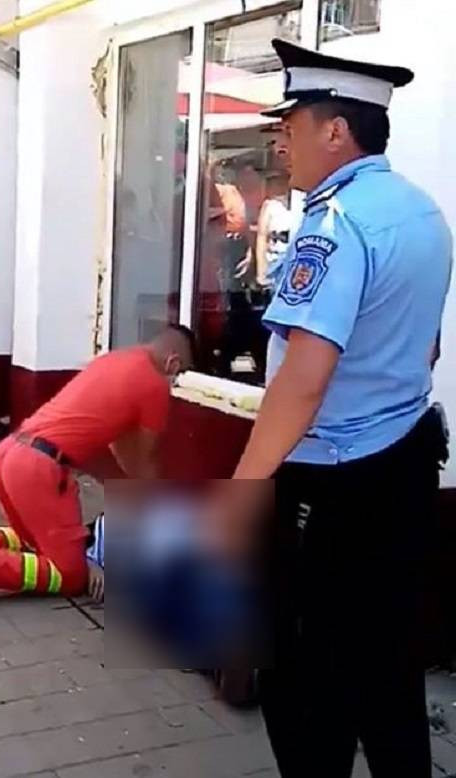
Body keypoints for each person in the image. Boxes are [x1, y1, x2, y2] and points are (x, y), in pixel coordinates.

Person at [231, 40, 452, 778]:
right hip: (406, 462)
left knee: (300, 674)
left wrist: (242, 494)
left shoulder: (334, 224)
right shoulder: (421, 211)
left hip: (332, 483)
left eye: (290, 126)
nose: (280, 142)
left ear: (336, 131)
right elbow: (426, 349)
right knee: (387, 663)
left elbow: (303, 379)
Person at [0, 326, 195, 613]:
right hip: (41, 468)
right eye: (179, 374)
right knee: (70, 574)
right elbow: (143, 461)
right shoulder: (154, 385)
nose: (174, 381)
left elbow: (100, 448)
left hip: (10, 453)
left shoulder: (115, 360)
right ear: (173, 362)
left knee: (35, 541)